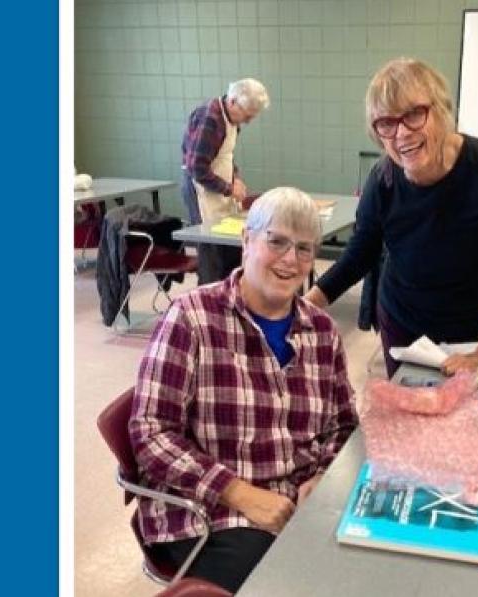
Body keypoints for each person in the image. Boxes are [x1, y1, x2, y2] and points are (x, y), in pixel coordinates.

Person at [129, 187, 358, 593]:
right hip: (209, 510)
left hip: (297, 500)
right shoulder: (191, 319)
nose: (291, 260)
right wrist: (239, 493)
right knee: (292, 584)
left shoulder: (321, 331)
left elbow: (344, 426)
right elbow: (151, 433)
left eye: (304, 249)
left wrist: (321, 475)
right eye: (277, 241)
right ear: (246, 240)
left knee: (361, 565)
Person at [305, 58, 478, 379]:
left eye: (413, 114)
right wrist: (301, 308)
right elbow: (359, 255)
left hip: (473, 325)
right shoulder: (383, 179)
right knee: (412, 412)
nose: (401, 134)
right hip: (403, 321)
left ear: (441, 111)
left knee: (466, 416)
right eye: (386, 123)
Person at [181, 78, 270, 284]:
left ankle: (230, 293)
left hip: (219, 189)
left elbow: (225, 156)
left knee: (230, 247)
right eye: (247, 116)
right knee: (211, 250)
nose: (247, 121)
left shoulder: (232, 120)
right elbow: (197, 168)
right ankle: (209, 298)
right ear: (233, 101)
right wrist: (229, 188)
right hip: (200, 191)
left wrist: (235, 178)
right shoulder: (210, 118)